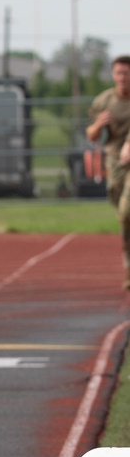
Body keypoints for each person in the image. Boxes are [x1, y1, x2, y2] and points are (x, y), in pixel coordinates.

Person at [86, 56, 130, 287]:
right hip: (114, 164)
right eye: (119, 73)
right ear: (114, 75)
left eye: (127, 73)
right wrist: (99, 124)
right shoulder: (104, 101)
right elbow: (91, 136)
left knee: (127, 208)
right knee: (124, 218)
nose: (123, 78)